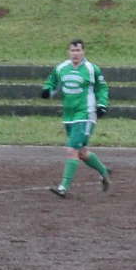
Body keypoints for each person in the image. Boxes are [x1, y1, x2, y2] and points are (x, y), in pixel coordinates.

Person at [41, 39, 110, 198]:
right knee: (82, 153)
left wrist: (102, 105)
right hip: (69, 115)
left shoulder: (92, 69)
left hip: (86, 114)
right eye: (72, 50)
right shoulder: (61, 68)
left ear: (83, 52)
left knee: (72, 150)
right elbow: (51, 82)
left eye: (78, 50)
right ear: (68, 52)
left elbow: (102, 88)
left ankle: (63, 187)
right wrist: (47, 90)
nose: (75, 54)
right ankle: (104, 172)